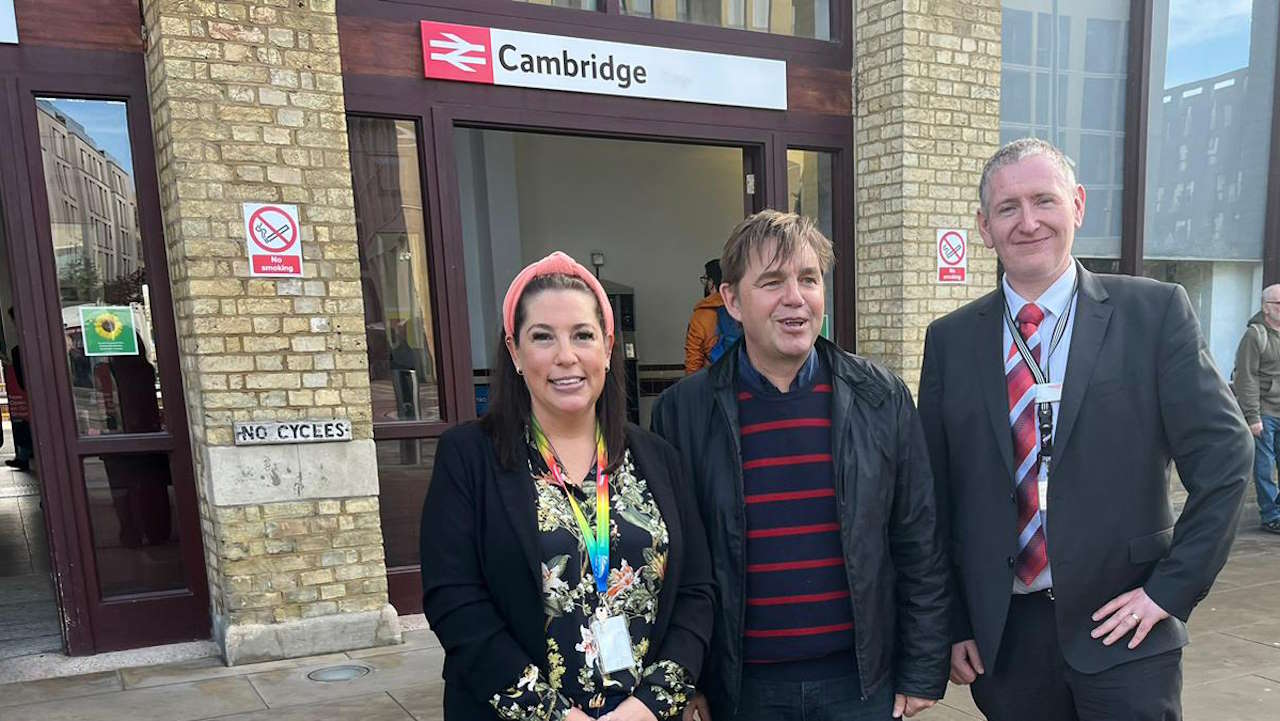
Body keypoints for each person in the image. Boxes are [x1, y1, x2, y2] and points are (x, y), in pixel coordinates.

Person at [918, 138, 1251, 721]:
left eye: (1044, 201)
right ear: (983, 225)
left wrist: (1168, 591)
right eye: (1007, 208)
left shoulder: (1154, 313)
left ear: (1077, 205)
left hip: (1125, 630)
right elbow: (935, 498)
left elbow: (1225, 459)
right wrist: (953, 622)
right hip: (1006, 640)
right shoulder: (950, 341)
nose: (1028, 222)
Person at [652, 210, 948, 721]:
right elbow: (674, 561)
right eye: (772, 282)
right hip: (740, 691)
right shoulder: (684, 411)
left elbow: (918, 540)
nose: (795, 297)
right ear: (731, 300)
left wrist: (922, 666)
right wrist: (683, 679)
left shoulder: (881, 397)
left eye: (808, 279)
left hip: (860, 686)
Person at [420, 251, 714, 721]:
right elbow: (455, 603)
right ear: (514, 352)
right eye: (543, 337)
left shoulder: (658, 458)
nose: (566, 356)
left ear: (607, 346)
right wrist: (556, 716)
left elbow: (698, 592)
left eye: (582, 335)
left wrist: (651, 704)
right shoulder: (468, 457)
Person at [1232, 284, 1280, 534]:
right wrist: (1252, 416)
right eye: (1279, 304)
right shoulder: (1255, 335)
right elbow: (1245, 377)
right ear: (1266, 307)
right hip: (1264, 413)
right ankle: (1271, 515)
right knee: (1264, 467)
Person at [683, 259, 740, 375]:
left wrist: (690, 386)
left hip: (712, 380)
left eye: (706, 279)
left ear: (712, 282)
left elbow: (693, 358)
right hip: (745, 380)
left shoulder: (702, 314)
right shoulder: (743, 308)